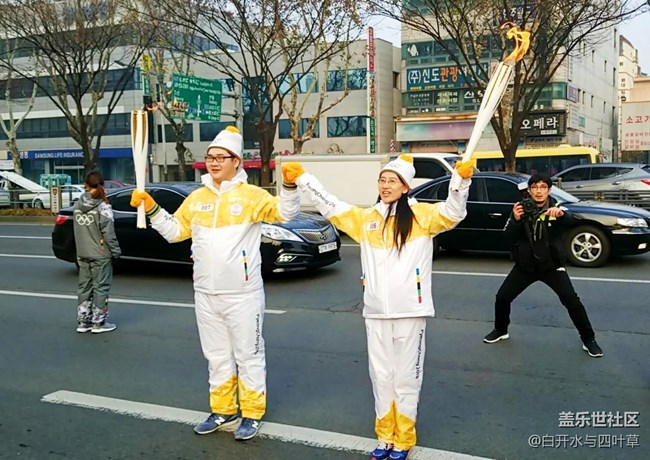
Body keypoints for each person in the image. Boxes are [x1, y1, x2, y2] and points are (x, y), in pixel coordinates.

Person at [281, 155, 473, 460]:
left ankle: (404, 439)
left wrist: (460, 182)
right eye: (382, 180)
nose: (385, 185)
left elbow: (453, 213)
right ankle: (385, 437)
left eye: (392, 180)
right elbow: (330, 205)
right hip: (375, 311)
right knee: (381, 375)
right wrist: (303, 178)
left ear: (405, 186)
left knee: (406, 377)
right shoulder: (366, 218)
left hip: (410, 310)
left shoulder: (423, 217)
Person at [130, 126, 300, 440]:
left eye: (221, 157)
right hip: (206, 293)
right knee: (217, 355)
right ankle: (222, 410)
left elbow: (286, 215)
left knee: (249, 354)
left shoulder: (251, 197)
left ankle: (251, 413)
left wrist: (289, 186)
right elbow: (174, 232)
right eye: (210, 157)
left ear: (237, 161)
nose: (214, 162)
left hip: (243, 293)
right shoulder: (197, 199)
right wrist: (151, 208)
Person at [483, 173, 603, 358]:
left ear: (549, 190)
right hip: (525, 266)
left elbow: (571, 221)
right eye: (535, 187)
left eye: (543, 187)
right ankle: (501, 330)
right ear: (529, 191)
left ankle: (589, 339)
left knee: (572, 301)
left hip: (551, 266)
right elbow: (507, 236)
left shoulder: (557, 208)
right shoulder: (521, 209)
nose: (539, 191)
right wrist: (515, 219)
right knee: (502, 297)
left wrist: (562, 215)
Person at [73, 171, 121, 334]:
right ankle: (99, 323)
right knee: (101, 287)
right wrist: (116, 251)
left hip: (82, 251)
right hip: (100, 253)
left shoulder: (77, 205)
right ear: (103, 185)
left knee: (84, 287)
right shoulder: (103, 206)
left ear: (85, 185)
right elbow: (109, 233)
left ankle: (83, 321)